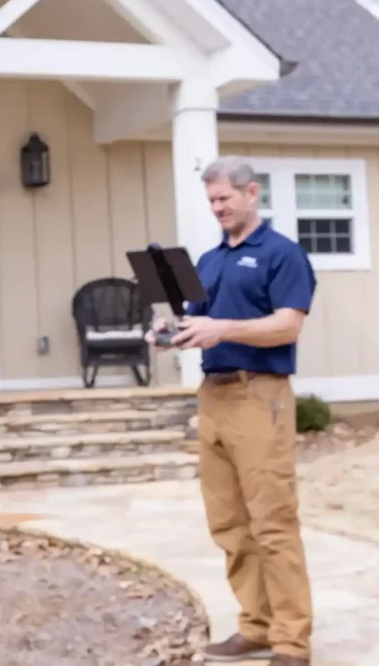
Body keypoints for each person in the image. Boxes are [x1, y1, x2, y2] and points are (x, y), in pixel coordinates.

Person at [146, 156, 316, 666]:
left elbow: (287, 325)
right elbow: (196, 321)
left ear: (251, 194)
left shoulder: (282, 255)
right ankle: (256, 625)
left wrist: (223, 329)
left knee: (272, 522)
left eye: (224, 198)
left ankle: (291, 641)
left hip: (258, 395)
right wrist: (168, 335)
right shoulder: (211, 259)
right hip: (213, 395)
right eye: (212, 201)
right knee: (229, 523)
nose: (217, 208)